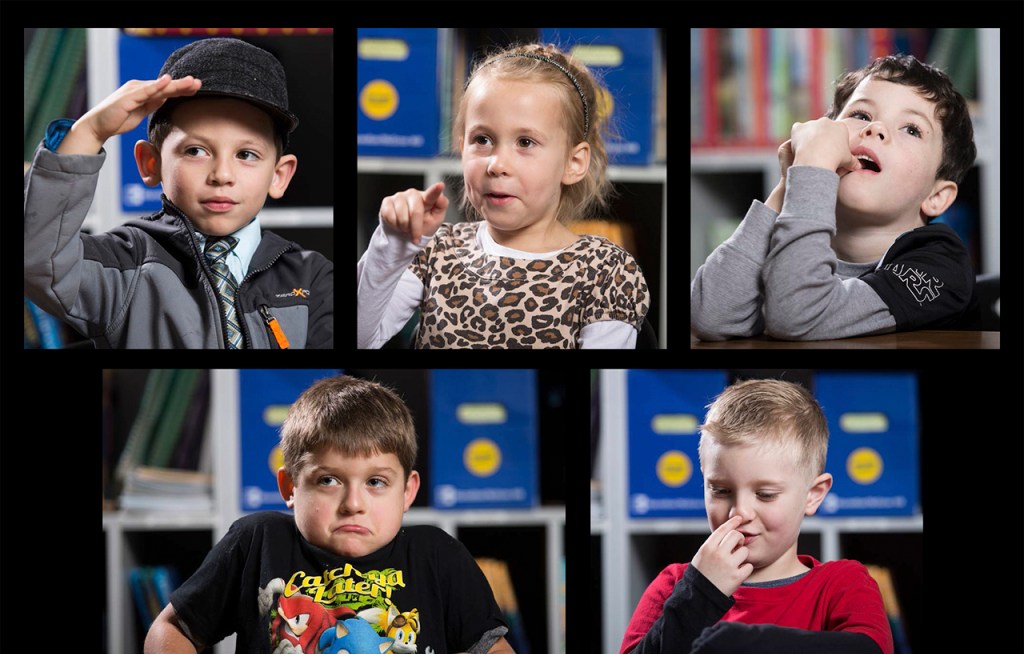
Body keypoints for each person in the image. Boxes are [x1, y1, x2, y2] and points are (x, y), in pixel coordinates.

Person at [144, 375, 523, 654]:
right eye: (329, 480)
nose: (353, 505)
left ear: (407, 492)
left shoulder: (438, 554)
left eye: (376, 482)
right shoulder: (256, 541)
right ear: (290, 487)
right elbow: (169, 630)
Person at [24, 37, 333, 348]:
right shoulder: (123, 267)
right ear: (151, 162)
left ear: (278, 176)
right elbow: (36, 259)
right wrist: (90, 132)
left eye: (246, 155)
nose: (222, 175)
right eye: (196, 151)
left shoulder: (312, 276)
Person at [358, 42, 649, 349]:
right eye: (482, 139)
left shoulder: (605, 270)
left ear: (573, 163)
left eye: (525, 142)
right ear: (461, 146)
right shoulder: (434, 249)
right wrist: (393, 243)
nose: (497, 165)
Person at [616, 379, 894, 654]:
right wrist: (700, 594)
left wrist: (742, 649)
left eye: (766, 494)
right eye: (721, 490)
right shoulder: (674, 586)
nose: (740, 512)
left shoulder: (841, 584)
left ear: (813, 495)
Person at [691, 54, 977, 341]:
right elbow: (711, 317)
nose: (875, 128)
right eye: (861, 115)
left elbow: (796, 316)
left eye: (911, 129)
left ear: (936, 196)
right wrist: (791, 180)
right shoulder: (794, 239)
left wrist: (813, 168)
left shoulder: (942, 266)